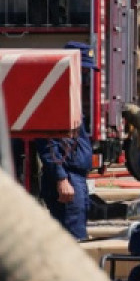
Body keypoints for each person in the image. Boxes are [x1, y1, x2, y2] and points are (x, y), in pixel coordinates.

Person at [39, 41, 97, 240]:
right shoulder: (56, 96)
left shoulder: (69, 95)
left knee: (75, 234)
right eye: (83, 70)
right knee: (74, 238)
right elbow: (47, 142)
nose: (86, 76)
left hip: (74, 177)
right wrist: (61, 178)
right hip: (68, 177)